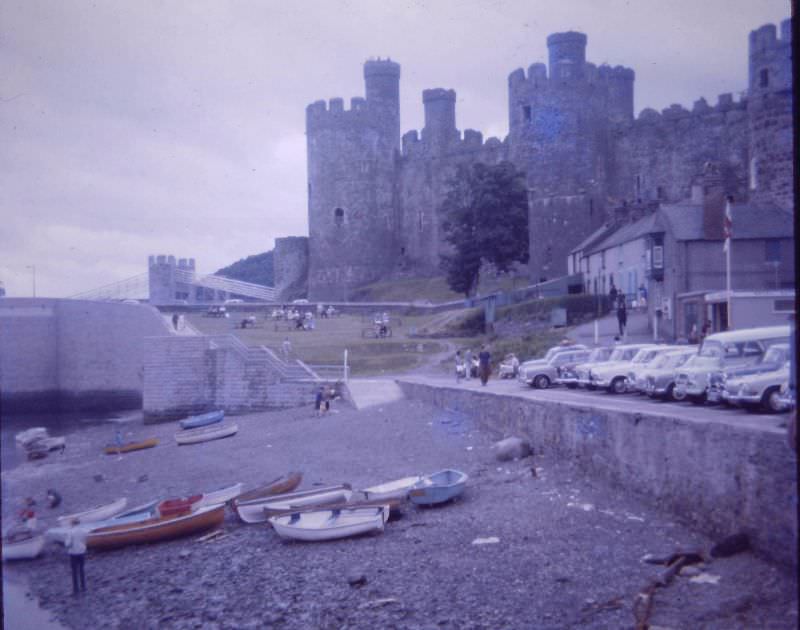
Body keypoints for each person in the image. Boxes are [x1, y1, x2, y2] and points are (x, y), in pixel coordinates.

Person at [65, 520, 88, 595]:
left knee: (74, 571)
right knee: (81, 569)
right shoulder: (83, 531)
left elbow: (68, 544)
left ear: (73, 524)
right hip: (82, 552)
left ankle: (76, 589)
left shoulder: (70, 532)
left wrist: (67, 546)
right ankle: (83, 586)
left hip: (73, 553)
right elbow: (85, 541)